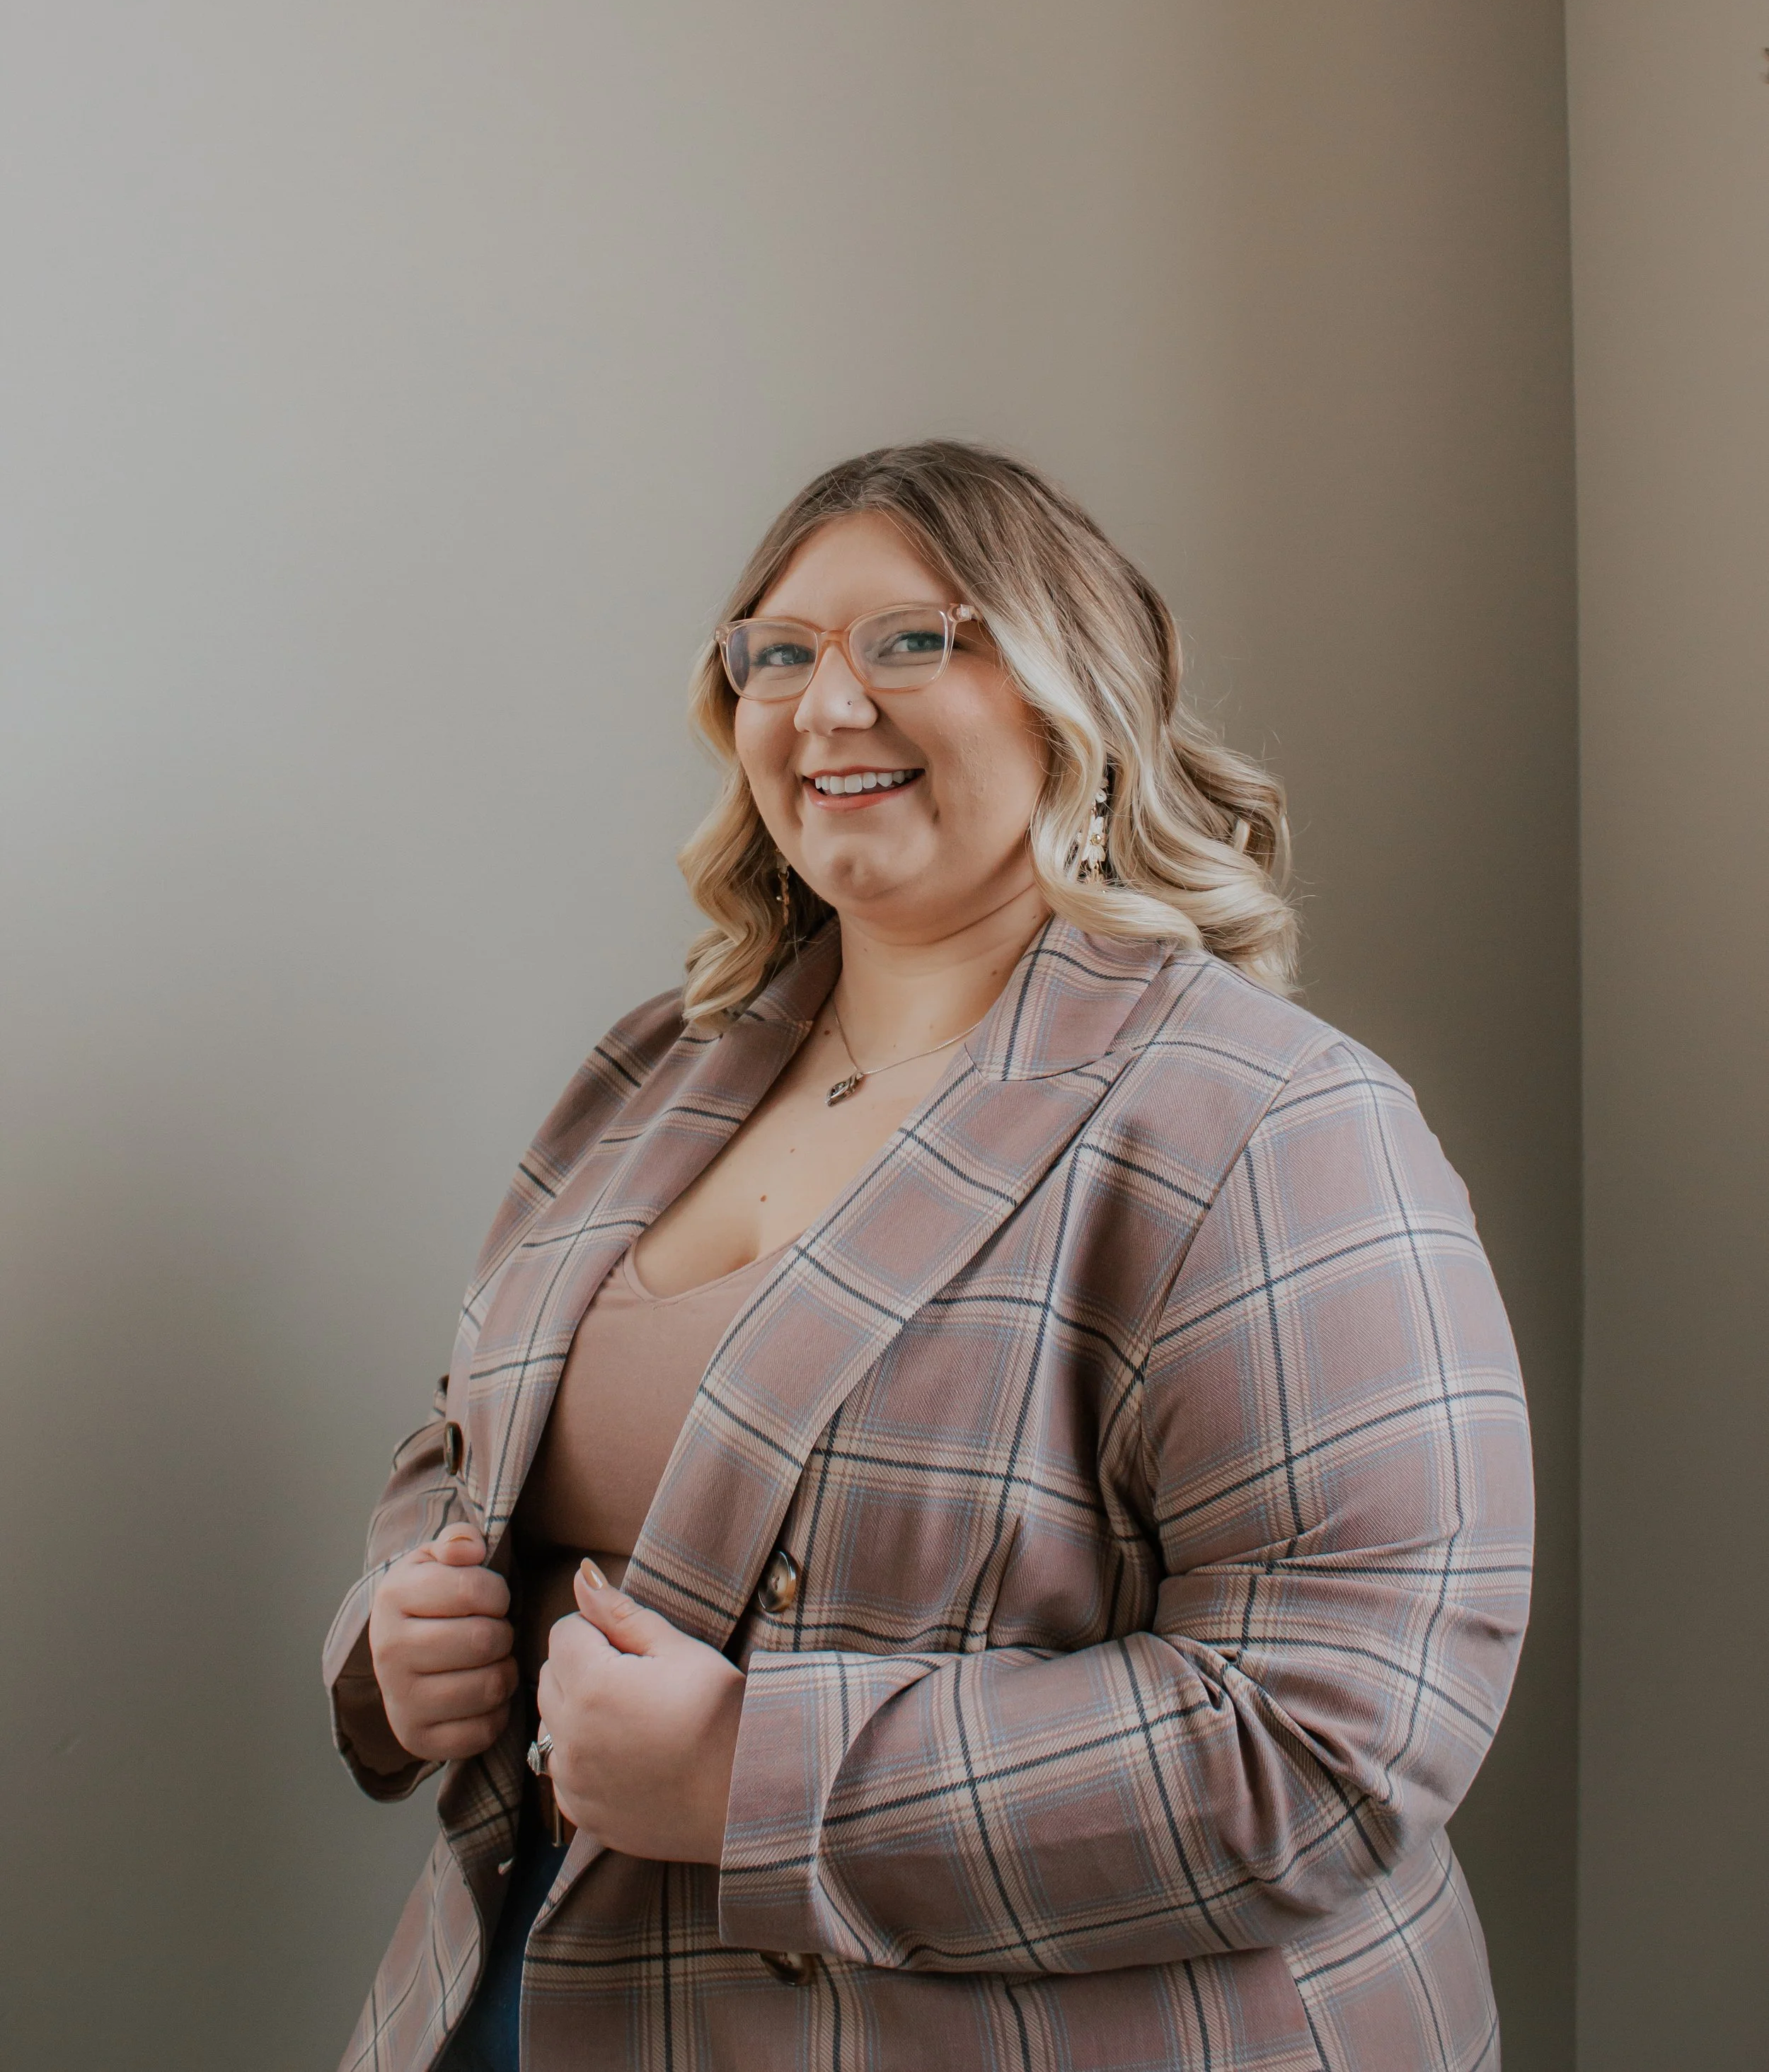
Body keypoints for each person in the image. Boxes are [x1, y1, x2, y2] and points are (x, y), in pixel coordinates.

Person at [324, 439, 1531, 2072]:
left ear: (1066, 693)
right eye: (778, 653)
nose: (827, 707)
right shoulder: (647, 1070)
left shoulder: (1266, 1125)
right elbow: (471, 1445)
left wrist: (748, 1771)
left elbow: (1334, 1742)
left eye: (913, 640)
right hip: (536, 1992)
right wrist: (398, 1639)